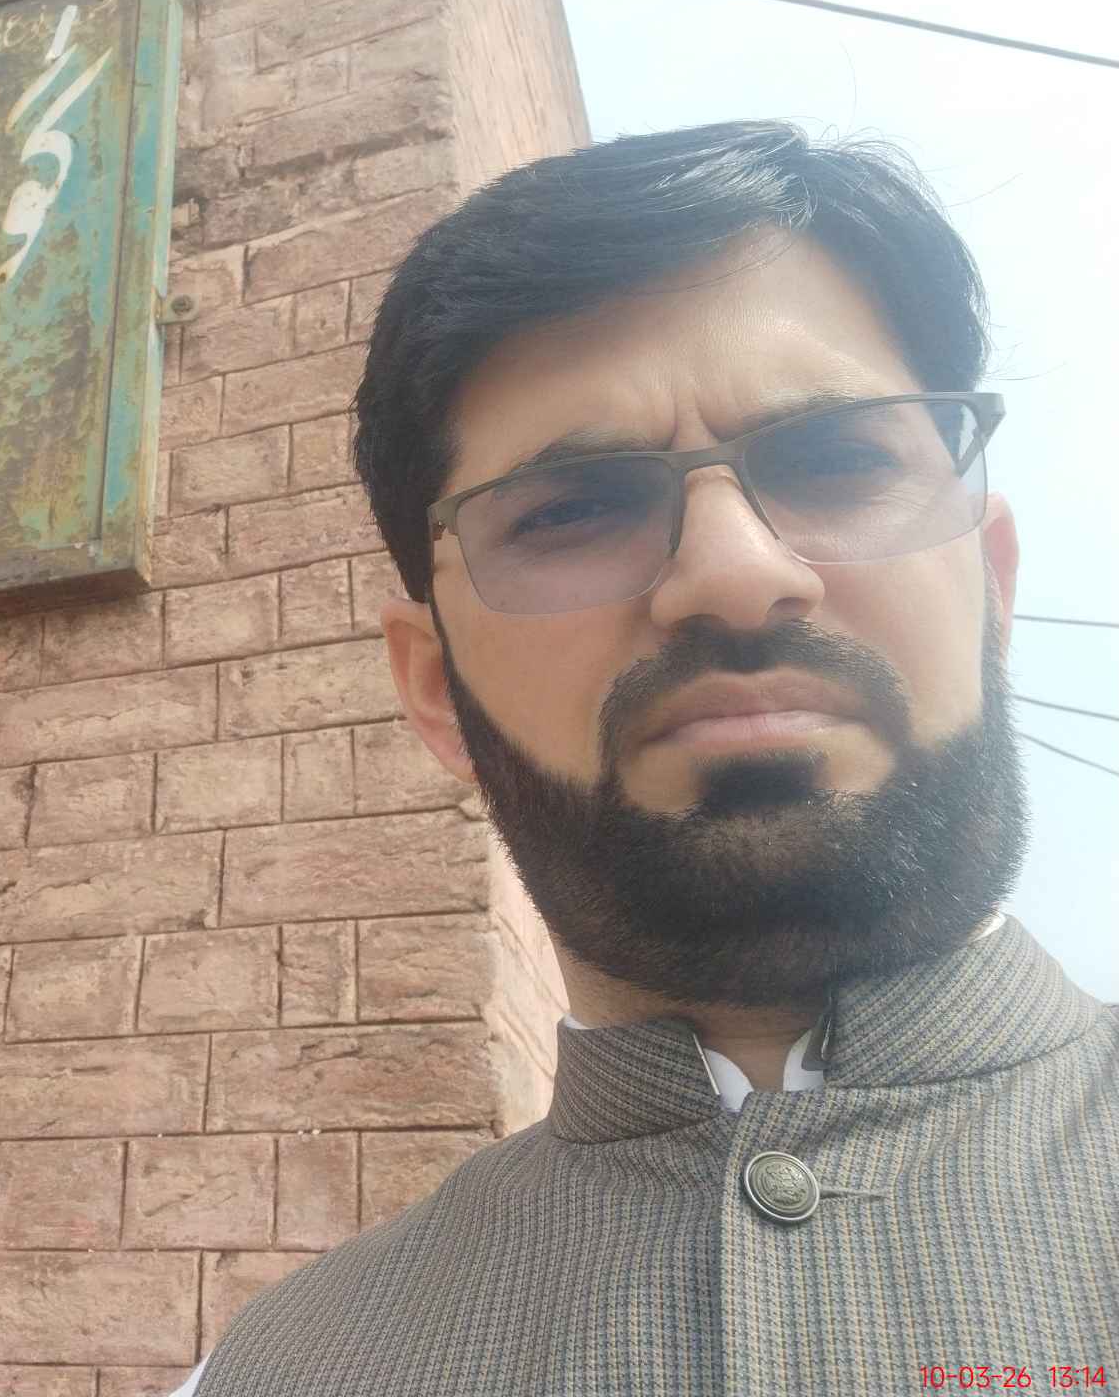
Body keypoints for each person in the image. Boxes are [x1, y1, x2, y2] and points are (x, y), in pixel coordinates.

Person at [172, 121, 1117, 1394]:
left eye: (837, 459)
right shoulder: (272, 1370)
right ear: (436, 689)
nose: (732, 572)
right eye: (575, 508)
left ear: (992, 585)